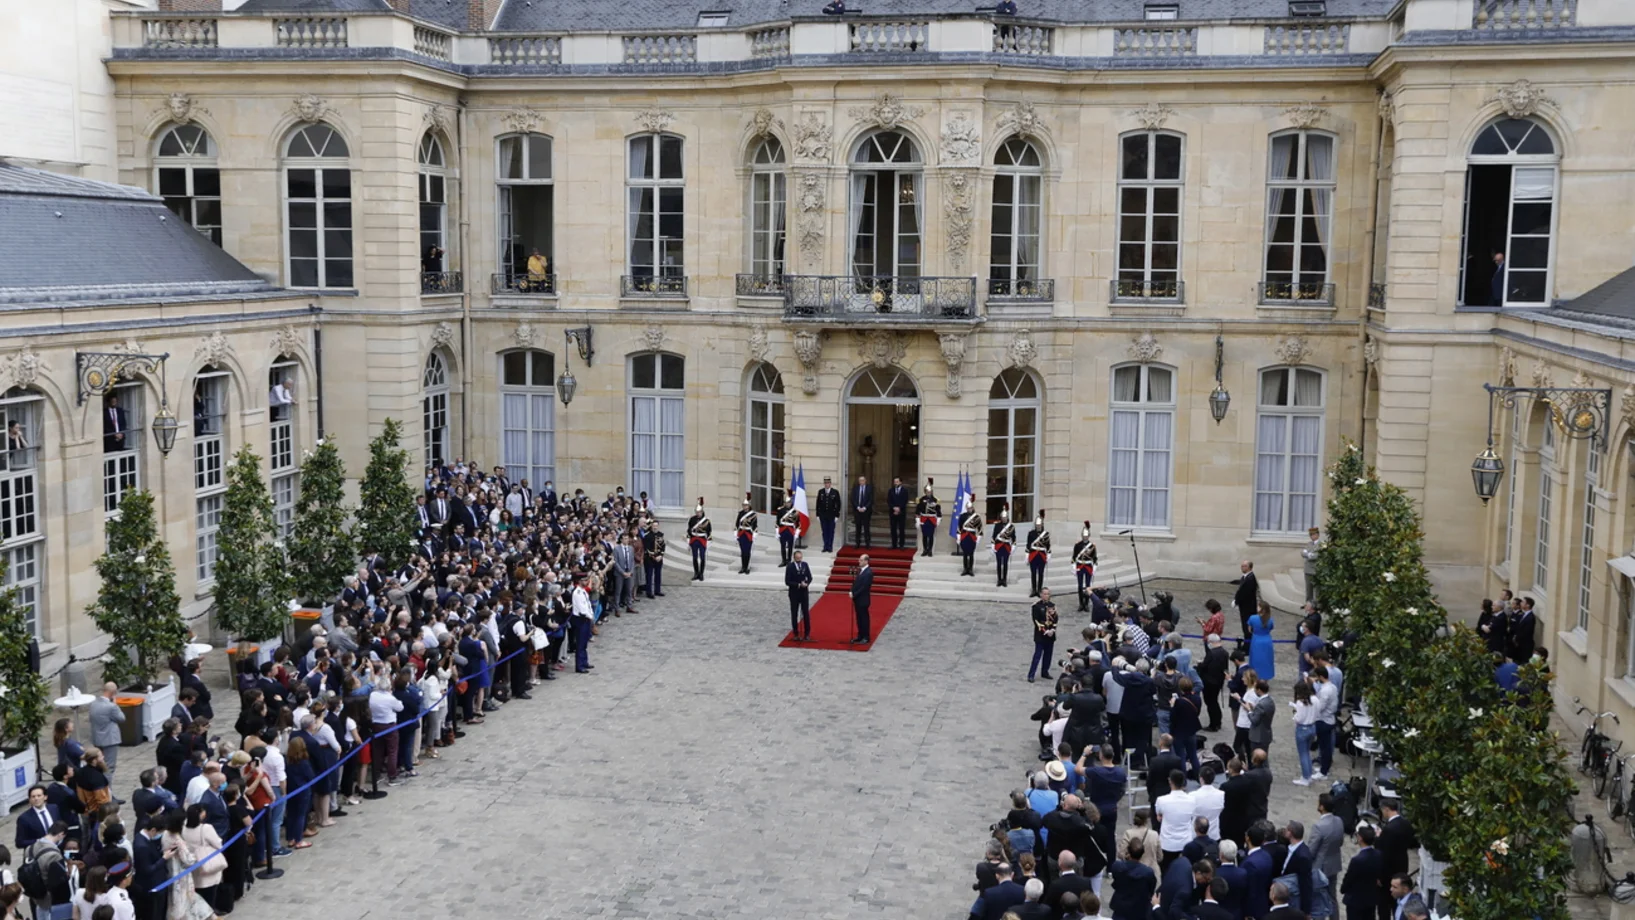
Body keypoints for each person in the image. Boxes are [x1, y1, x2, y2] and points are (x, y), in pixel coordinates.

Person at [179, 806, 225, 912]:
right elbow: (218, 844)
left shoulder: (184, 828)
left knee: (199, 893)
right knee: (210, 893)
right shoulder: (206, 828)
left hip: (193, 862)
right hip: (208, 863)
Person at [1310, 794, 1345, 918]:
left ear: (1322, 806)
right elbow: (1340, 842)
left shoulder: (1318, 827)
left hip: (1320, 868)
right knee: (1332, 897)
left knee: (1318, 899)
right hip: (1334, 865)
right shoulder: (1339, 821)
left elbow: (1311, 851)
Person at [1154, 769, 1194, 871]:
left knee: (1166, 872)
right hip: (1186, 842)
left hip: (1167, 843)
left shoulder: (1161, 800)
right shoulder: (1192, 800)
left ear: (1170, 781)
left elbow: (1159, 816)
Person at [1341, 826, 1383, 920]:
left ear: (1360, 838)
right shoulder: (1378, 854)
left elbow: (1349, 878)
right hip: (1370, 899)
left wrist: (1343, 889)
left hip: (1356, 901)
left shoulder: (1357, 860)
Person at [1108, 840, 1157, 920]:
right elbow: (1151, 889)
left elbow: (1116, 879)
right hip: (1139, 909)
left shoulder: (1117, 866)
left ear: (1128, 852)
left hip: (1121, 908)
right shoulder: (1148, 872)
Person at [89, 684, 125, 776]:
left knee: (98, 764)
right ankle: (107, 785)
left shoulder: (93, 704)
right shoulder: (111, 707)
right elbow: (121, 718)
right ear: (113, 693)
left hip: (97, 738)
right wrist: (115, 703)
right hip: (110, 740)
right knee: (109, 767)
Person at [1198, 633, 1228, 734]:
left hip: (1209, 682)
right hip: (1219, 681)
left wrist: (1199, 664)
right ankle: (1218, 722)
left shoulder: (1211, 653)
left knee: (1210, 703)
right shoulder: (1224, 652)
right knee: (1215, 702)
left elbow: (1204, 666)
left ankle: (1213, 724)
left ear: (1211, 642)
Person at [1290, 681, 1318, 786]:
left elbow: (1299, 718)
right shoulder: (1315, 699)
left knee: (1303, 754)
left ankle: (1306, 777)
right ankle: (1309, 774)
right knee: (1307, 752)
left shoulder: (1300, 703)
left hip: (1302, 729)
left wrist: (1294, 713)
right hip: (1312, 727)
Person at [1028, 589, 1057, 683]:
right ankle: (1031, 674)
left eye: (1048, 594)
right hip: (1040, 635)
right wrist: (1045, 631)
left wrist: (1052, 629)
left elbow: (1055, 619)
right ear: (1041, 595)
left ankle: (1045, 672)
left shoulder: (1052, 605)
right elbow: (1036, 621)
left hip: (1050, 635)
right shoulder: (1036, 606)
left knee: (1048, 655)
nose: (1046, 596)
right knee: (1037, 655)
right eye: (1044, 594)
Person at [570, 573, 596, 673]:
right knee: (580, 643)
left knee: (584, 642)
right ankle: (579, 665)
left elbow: (588, 604)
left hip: (586, 619)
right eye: (584, 580)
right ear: (579, 581)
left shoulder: (583, 591)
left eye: (586, 580)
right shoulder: (577, 593)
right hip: (581, 619)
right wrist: (589, 616)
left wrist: (591, 615)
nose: (586, 582)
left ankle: (584, 662)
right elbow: (582, 609)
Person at [785, 550, 812, 641]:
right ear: (794, 558)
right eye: (797, 558)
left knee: (806, 613)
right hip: (794, 593)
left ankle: (807, 633)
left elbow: (810, 577)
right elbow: (787, 581)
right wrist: (798, 585)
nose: (799, 560)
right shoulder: (790, 566)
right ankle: (795, 633)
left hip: (804, 593)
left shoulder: (805, 565)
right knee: (794, 613)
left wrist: (807, 583)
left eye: (800, 558)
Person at [1191, 764, 1224, 839]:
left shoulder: (1192, 796)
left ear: (1201, 779)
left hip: (1196, 835)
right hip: (1214, 835)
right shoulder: (1221, 794)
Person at [1072, 525, 1097, 612]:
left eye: (1086, 535)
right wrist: (1073, 567)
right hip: (1080, 566)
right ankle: (1081, 603)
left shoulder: (1092, 546)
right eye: (1084, 535)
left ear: (1089, 535)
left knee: (1088, 586)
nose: (1085, 537)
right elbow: (1074, 557)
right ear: (1082, 535)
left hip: (1088, 567)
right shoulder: (1077, 545)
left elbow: (1095, 558)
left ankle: (1086, 603)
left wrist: (1095, 567)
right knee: (1079, 586)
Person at [1026, 511, 1051, 598]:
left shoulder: (1046, 534)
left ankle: (1039, 589)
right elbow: (1028, 545)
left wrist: (1048, 555)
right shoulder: (1031, 533)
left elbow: (1048, 546)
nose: (1038, 526)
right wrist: (1027, 555)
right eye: (1037, 525)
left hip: (1041, 556)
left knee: (1040, 573)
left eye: (1039, 525)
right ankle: (1034, 589)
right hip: (1033, 555)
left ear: (1042, 525)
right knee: (1033, 573)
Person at [850, 554, 874, 645]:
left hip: (863, 599)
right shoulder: (861, 571)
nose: (859, 561)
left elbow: (864, 587)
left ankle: (866, 637)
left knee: (864, 619)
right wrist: (852, 591)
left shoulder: (868, 573)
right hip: (858, 599)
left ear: (866, 561)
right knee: (859, 618)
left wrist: (854, 594)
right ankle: (860, 635)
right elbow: (857, 583)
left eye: (861, 560)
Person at [1231, 561, 1259, 639]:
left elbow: (1244, 592)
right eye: (1242, 566)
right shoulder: (1245, 577)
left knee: (1247, 626)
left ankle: (1248, 643)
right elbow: (1240, 590)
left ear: (1249, 567)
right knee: (1244, 625)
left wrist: (1236, 601)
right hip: (1244, 607)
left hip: (1249, 608)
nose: (1242, 567)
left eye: (1244, 566)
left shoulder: (1250, 578)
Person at [1248, 603, 1276, 679]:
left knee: (1255, 660)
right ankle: (1266, 677)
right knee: (1267, 660)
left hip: (1256, 640)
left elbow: (1249, 630)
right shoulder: (1270, 619)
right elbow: (1271, 628)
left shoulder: (1252, 618)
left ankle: (1255, 677)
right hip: (1267, 640)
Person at [687, 499, 711, 581]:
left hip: (702, 540)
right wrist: (689, 539)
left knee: (702, 557)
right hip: (694, 539)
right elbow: (689, 529)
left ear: (702, 512)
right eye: (697, 512)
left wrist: (709, 542)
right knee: (694, 557)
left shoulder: (706, 521)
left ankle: (701, 574)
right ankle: (696, 573)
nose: (698, 513)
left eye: (699, 512)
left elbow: (709, 532)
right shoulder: (692, 519)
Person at [914, 482, 940, 557]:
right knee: (924, 535)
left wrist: (938, 519)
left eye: (930, 491)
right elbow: (917, 511)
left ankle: (930, 550)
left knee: (931, 535)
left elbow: (938, 511)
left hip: (932, 520)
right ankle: (925, 550)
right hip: (924, 519)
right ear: (925, 491)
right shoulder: (921, 499)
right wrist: (917, 520)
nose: (928, 492)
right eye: (927, 491)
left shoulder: (935, 500)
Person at [815, 476, 840, 552]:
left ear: (830, 483)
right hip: (823, 515)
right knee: (824, 531)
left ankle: (830, 546)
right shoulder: (821, 492)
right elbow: (818, 503)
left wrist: (837, 515)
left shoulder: (835, 492)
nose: (826, 484)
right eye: (825, 483)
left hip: (832, 515)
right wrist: (817, 514)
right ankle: (825, 546)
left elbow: (838, 504)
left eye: (828, 483)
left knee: (831, 531)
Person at [993, 506, 1016, 587]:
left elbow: (1013, 538)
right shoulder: (997, 526)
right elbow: (994, 536)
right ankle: (999, 579)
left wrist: (1013, 547)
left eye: (1005, 517)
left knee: (1005, 563)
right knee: (999, 564)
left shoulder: (1011, 527)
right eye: (1002, 518)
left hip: (1006, 546)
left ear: (1007, 517)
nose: (1004, 519)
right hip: (999, 546)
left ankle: (1004, 580)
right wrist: (993, 546)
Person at [959, 499, 983, 577]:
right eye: (968, 508)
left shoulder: (977, 517)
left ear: (972, 508)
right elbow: (959, 527)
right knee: (965, 553)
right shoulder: (962, 516)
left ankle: (970, 569)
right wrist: (958, 537)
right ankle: (965, 569)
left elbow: (980, 529)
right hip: (964, 536)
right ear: (966, 508)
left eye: (970, 508)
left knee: (971, 553)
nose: (969, 509)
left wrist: (978, 538)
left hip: (972, 536)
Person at [734, 496, 757, 575]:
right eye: (743, 505)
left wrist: (754, 535)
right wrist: (735, 534)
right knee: (743, 551)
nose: (744, 507)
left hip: (748, 534)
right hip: (741, 534)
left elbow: (755, 526)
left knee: (747, 551)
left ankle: (747, 567)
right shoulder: (740, 513)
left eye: (746, 505)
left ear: (749, 506)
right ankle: (743, 567)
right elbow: (737, 524)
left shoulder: (753, 514)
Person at [776, 488, 799, 566]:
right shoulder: (780, 510)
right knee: (782, 546)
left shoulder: (794, 511)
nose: (788, 504)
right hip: (783, 529)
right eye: (786, 502)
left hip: (790, 530)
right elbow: (777, 521)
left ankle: (789, 560)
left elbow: (797, 523)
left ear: (791, 502)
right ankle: (783, 560)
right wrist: (777, 531)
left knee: (790, 546)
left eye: (789, 502)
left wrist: (797, 532)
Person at [885, 476, 909, 550]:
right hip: (892, 512)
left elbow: (905, 500)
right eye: (894, 482)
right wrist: (894, 508)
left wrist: (899, 508)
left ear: (900, 482)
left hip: (901, 512)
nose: (895, 483)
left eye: (897, 482)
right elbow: (889, 501)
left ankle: (901, 544)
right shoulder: (891, 490)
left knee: (901, 529)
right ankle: (894, 544)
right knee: (893, 529)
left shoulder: (905, 491)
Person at [851, 476, 874, 547]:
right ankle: (857, 543)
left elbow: (871, 499)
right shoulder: (855, 488)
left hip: (866, 511)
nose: (861, 482)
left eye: (863, 480)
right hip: (857, 511)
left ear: (865, 481)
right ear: (859, 481)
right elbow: (853, 499)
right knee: (858, 527)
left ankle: (867, 543)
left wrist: (864, 507)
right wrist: (858, 507)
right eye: (860, 480)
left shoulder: (869, 488)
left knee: (866, 527)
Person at [1301, 527, 1322, 604]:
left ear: (1318, 535)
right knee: (1308, 588)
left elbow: (1318, 555)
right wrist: (1309, 554)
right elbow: (1302, 553)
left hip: (1316, 569)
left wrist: (1308, 554)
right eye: (1311, 535)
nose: (1312, 536)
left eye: (1313, 534)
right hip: (1307, 569)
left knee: (1317, 589)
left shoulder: (1322, 544)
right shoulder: (1309, 544)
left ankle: (1317, 604)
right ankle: (1308, 604)